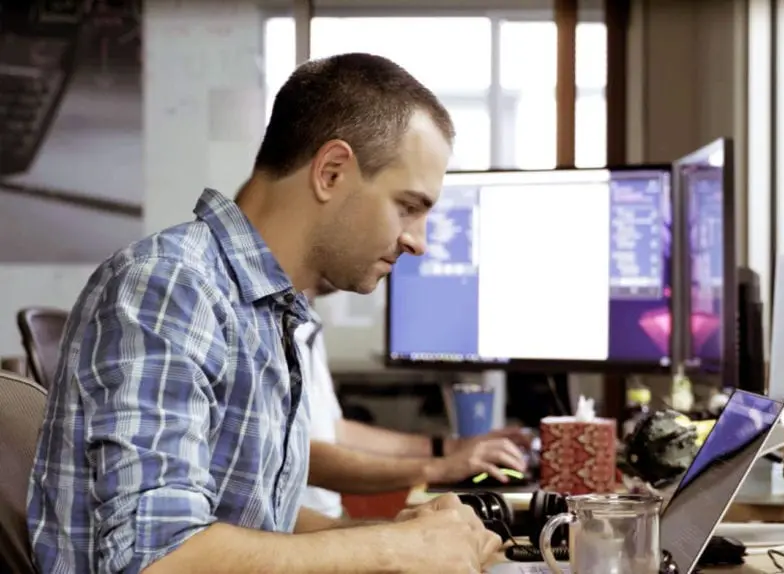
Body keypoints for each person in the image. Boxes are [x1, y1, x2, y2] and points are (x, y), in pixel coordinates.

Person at [27, 53, 501, 574]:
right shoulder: (171, 285)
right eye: (408, 207)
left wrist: (406, 536)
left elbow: (255, 522)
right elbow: (159, 559)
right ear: (332, 171)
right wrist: (400, 550)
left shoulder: (271, 310)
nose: (418, 242)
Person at [298, 283, 530, 519]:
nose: (415, 248)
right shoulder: (275, 326)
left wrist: (447, 448)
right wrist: (440, 468)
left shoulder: (305, 318)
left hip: (326, 515)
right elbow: (303, 456)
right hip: (302, 531)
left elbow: (336, 431)